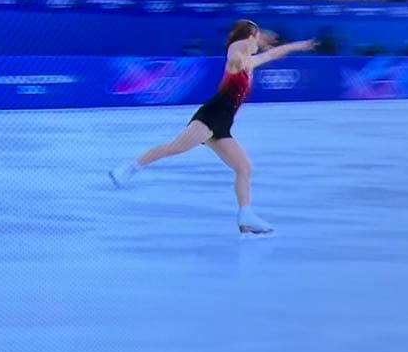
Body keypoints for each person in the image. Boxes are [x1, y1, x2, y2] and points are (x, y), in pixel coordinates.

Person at [109, 20, 317, 235]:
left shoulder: (249, 64)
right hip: (210, 117)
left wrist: (299, 45)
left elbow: (274, 54)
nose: (259, 41)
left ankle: (246, 216)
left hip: (223, 124)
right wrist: (249, 40)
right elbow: (234, 48)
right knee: (175, 147)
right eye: (256, 37)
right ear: (248, 38)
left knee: (244, 168)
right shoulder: (236, 60)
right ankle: (127, 169)